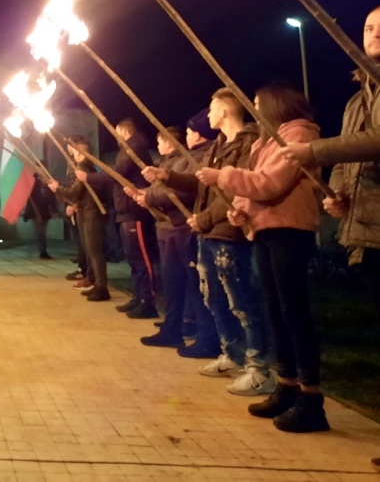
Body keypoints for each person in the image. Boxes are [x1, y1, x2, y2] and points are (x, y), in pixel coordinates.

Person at [202, 83, 327, 433]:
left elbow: (270, 183)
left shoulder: (296, 134)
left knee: (294, 313)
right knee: (275, 312)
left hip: (290, 230)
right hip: (265, 230)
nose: (254, 109)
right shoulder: (266, 141)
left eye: (257, 104)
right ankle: (286, 386)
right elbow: (253, 190)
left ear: (274, 104)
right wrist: (239, 210)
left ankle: (311, 398)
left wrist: (223, 178)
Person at [144, 90, 271, 395]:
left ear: (225, 111)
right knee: (213, 296)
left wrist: (204, 218)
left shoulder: (247, 144)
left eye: (212, 107)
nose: (208, 113)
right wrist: (167, 175)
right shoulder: (218, 145)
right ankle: (233, 354)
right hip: (209, 233)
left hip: (229, 230)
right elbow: (204, 184)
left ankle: (259, 367)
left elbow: (236, 191)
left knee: (240, 300)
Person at [280, 6, 380, 321]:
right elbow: (342, 158)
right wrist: (336, 194)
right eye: (368, 28)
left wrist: (314, 151)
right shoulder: (355, 101)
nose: (375, 33)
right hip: (366, 225)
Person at [75, 118, 159, 319]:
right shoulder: (129, 149)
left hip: (135, 211)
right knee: (133, 259)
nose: (115, 137)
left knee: (141, 260)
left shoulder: (133, 148)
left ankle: (147, 301)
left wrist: (89, 178)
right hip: (125, 210)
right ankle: (138, 297)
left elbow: (116, 174)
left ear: (124, 131)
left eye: (117, 132)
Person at [128, 126, 202, 348]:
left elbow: (178, 190)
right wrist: (144, 195)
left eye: (160, 141)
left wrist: (149, 196)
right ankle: (174, 326)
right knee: (172, 281)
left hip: (179, 226)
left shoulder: (187, 160)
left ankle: (190, 326)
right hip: (166, 225)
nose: (158, 146)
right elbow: (159, 188)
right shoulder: (168, 162)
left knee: (188, 280)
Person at [48, 137, 109, 301]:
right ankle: (96, 282)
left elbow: (75, 191)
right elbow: (79, 193)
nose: (72, 153)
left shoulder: (85, 167)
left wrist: (57, 188)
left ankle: (102, 286)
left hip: (91, 213)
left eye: (75, 150)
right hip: (85, 210)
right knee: (90, 250)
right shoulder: (83, 167)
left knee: (95, 251)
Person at [25, 173, 58, 259]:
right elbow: (30, 197)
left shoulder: (48, 182)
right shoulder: (33, 182)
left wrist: (54, 210)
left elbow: (52, 197)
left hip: (45, 211)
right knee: (41, 232)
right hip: (36, 211)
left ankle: (42, 250)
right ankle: (42, 251)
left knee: (42, 231)